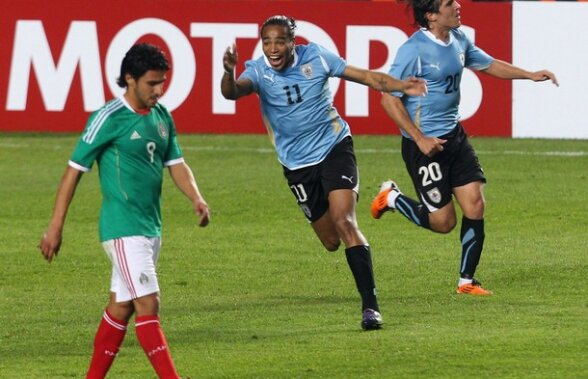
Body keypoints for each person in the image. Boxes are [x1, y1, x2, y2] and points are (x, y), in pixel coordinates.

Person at [221, 15, 427, 330]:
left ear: (293, 41)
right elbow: (232, 92)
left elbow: (368, 77)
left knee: (345, 222)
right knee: (331, 240)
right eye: (267, 42)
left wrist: (402, 86)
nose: (273, 48)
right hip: (296, 166)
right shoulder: (258, 71)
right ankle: (389, 197)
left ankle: (370, 307)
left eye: (280, 41)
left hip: (334, 148)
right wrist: (227, 70)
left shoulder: (316, 56)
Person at [39, 43, 210, 378]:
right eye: (151, 83)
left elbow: (176, 164)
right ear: (130, 79)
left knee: (122, 307)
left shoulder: (161, 117)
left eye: (162, 82)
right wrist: (55, 226)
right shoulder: (108, 118)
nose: (158, 90)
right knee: (149, 303)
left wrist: (196, 198)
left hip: (150, 227)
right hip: (122, 227)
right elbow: (73, 170)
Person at [371, 0, 558, 295]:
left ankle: (466, 281)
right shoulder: (413, 50)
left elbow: (489, 63)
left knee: (476, 204)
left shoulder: (458, 38)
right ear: (432, 15)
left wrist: (530, 74)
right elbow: (388, 98)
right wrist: (420, 138)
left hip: (455, 138)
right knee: (443, 222)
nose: (457, 5)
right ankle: (392, 198)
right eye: (448, 3)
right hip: (424, 148)